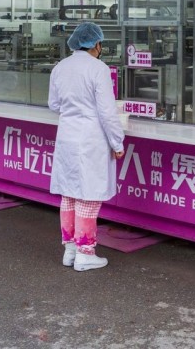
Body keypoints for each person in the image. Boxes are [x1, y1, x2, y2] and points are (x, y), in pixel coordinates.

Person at [48, 21, 125, 272]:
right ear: (96, 44)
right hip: (91, 138)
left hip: (67, 136)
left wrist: (74, 110)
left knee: (69, 195)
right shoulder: (98, 69)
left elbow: (54, 105)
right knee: (88, 197)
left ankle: (70, 250)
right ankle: (85, 253)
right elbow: (107, 112)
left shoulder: (60, 67)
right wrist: (117, 142)